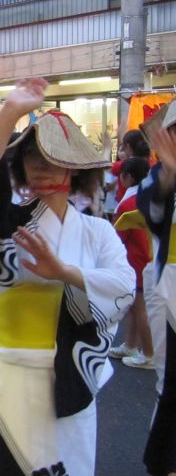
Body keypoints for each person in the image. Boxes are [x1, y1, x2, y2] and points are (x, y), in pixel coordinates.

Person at [0, 78, 135, 476]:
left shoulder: (96, 231)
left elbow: (124, 285)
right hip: (15, 380)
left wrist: (64, 273)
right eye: (32, 155)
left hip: (73, 383)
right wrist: (10, 112)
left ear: (75, 168)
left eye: (53, 156)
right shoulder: (10, 225)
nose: (40, 163)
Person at [136, 102, 176, 476]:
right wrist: (169, 173)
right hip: (171, 289)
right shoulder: (159, 175)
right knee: (171, 382)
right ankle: (159, 470)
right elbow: (152, 212)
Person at [110, 156, 154, 369]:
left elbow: (117, 237)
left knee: (139, 308)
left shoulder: (128, 203)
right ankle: (131, 345)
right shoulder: (152, 196)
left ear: (127, 177)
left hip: (136, 262)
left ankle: (149, 354)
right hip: (149, 260)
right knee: (136, 308)